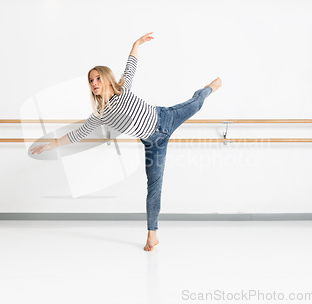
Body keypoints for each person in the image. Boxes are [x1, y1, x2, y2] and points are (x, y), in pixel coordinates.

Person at [31, 32, 222, 251]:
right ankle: (152, 235)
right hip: (153, 144)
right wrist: (51, 144)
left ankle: (210, 88)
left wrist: (136, 44)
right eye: (91, 80)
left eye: (97, 78)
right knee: (154, 187)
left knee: (196, 103)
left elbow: (131, 66)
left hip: (165, 118)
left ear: (106, 79)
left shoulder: (123, 90)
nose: (94, 83)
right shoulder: (100, 115)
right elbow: (78, 133)